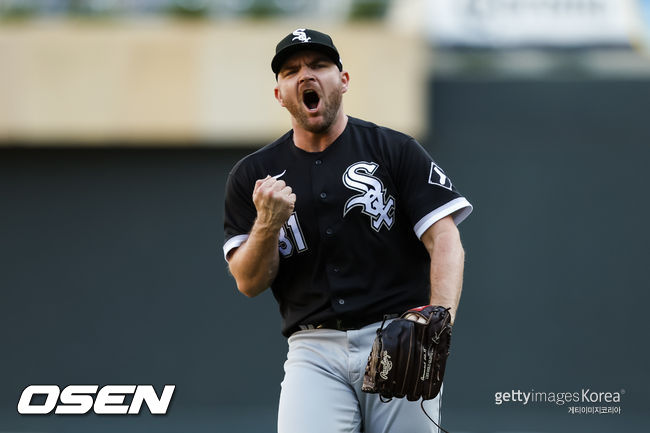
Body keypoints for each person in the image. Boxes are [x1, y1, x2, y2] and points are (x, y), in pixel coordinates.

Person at [223, 28, 472, 433]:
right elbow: (248, 282)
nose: (306, 75)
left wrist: (435, 323)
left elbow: (445, 238)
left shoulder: (393, 149)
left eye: (319, 65)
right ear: (279, 93)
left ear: (343, 80)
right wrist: (268, 223)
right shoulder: (252, 176)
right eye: (291, 70)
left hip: (397, 336)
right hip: (313, 350)